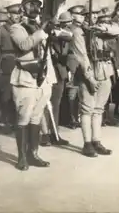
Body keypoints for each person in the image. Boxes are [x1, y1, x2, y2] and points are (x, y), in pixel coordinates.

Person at [10, 0, 56, 170]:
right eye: (31, 5)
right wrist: (43, 31)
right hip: (26, 77)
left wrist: (52, 30)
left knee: (36, 117)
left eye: (37, 5)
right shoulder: (17, 27)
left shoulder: (40, 26)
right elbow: (24, 45)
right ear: (23, 8)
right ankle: (22, 157)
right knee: (24, 117)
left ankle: (33, 154)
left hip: (44, 78)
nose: (35, 8)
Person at [69, 6, 119, 157]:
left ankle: (96, 141)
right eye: (89, 15)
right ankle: (87, 143)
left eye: (96, 15)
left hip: (105, 72)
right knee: (87, 109)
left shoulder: (99, 30)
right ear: (83, 16)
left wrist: (100, 27)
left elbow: (117, 31)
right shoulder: (79, 32)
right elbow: (82, 58)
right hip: (88, 74)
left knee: (99, 109)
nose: (93, 17)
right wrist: (90, 78)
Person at [41, 11, 74, 146]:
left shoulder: (63, 34)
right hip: (46, 72)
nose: (66, 26)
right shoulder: (45, 35)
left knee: (55, 104)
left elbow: (70, 39)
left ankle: (54, 133)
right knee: (44, 103)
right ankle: (44, 134)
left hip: (59, 72)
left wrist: (69, 69)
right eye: (63, 24)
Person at [0, 3, 20, 132]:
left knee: (18, 95)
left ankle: (16, 122)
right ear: (9, 14)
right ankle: (5, 122)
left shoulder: (21, 28)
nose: (17, 16)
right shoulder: (2, 29)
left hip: (20, 63)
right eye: (14, 13)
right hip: (6, 65)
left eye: (18, 13)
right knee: (6, 96)